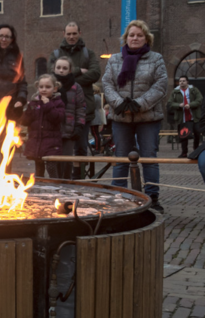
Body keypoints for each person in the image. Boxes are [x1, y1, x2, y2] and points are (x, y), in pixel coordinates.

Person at [102, 20, 167, 213]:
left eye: (139, 35)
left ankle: (152, 197)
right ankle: (118, 195)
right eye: (132, 35)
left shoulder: (156, 59)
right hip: (121, 117)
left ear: (146, 38)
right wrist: (119, 103)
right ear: (126, 38)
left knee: (149, 157)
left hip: (148, 118)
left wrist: (139, 104)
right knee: (121, 157)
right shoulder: (114, 59)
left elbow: (161, 85)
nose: (135, 38)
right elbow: (107, 83)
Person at [48, 22, 101, 177]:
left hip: (82, 111)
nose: (71, 37)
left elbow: (95, 73)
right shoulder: (56, 54)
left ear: (80, 33)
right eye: (68, 34)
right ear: (63, 33)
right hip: (58, 112)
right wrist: (78, 71)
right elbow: (50, 77)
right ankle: (60, 180)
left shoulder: (88, 53)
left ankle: (79, 180)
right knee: (58, 148)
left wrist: (70, 81)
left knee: (81, 148)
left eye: (74, 33)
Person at [21, 74, 65, 178]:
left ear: (55, 89)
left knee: (51, 166)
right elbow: (25, 121)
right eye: (41, 87)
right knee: (39, 168)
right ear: (37, 88)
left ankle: (55, 185)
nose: (44, 89)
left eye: (48, 87)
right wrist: (27, 110)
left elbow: (58, 118)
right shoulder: (34, 103)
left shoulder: (58, 102)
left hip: (51, 143)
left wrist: (48, 105)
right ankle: (40, 186)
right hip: (37, 142)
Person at [52, 57, 86, 179]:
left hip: (69, 129)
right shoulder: (49, 85)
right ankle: (53, 183)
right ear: (54, 69)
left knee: (67, 160)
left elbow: (80, 108)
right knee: (52, 160)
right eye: (58, 68)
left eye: (65, 68)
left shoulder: (76, 87)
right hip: (52, 129)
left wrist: (79, 125)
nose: (61, 70)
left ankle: (66, 183)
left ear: (70, 70)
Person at [167, 76, 202, 157]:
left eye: (183, 81)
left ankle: (196, 151)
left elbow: (199, 99)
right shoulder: (175, 92)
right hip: (182, 117)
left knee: (197, 133)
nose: (181, 82)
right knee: (183, 135)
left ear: (187, 82)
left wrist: (191, 105)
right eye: (180, 81)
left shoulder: (193, 90)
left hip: (194, 117)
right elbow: (170, 103)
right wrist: (179, 105)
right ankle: (184, 152)